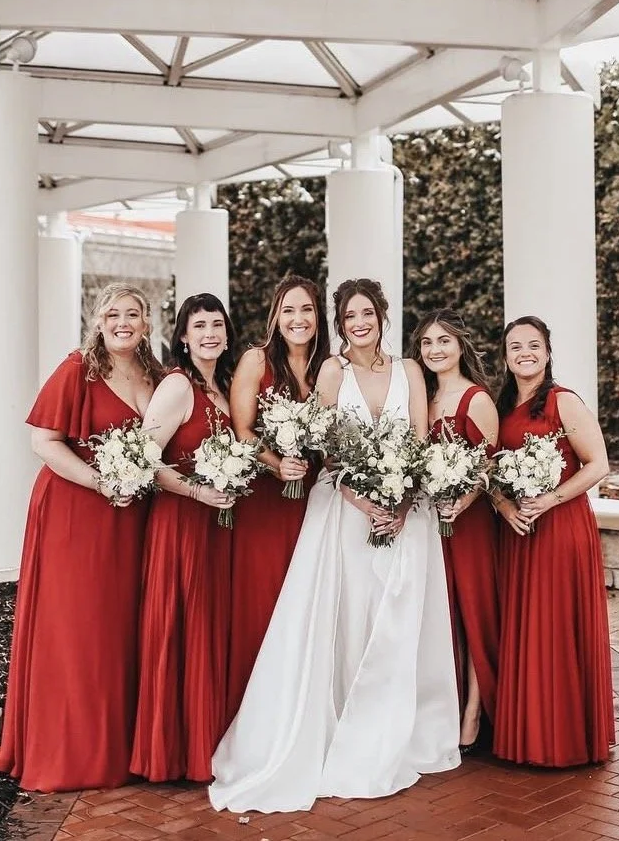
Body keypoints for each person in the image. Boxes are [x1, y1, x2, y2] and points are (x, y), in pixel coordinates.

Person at [210, 278, 459, 813]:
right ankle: (344, 722)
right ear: (340, 324)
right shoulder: (332, 370)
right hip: (344, 510)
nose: (359, 323)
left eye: (367, 313)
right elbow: (325, 450)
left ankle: (395, 733)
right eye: (349, 316)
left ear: (382, 316)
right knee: (348, 617)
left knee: (397, 620)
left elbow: (418, 440)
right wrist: (363, 499)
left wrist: (402, 499)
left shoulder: (410, 371)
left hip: (406, 513)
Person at [0, 283, 163, 792]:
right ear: (98, 321)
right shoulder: (77, 369)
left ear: (146, 323)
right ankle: (71, 753)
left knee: (119, 627)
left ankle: (120, 747)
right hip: (76, 511)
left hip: (131, 517)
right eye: (112, 314)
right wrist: (100, 482)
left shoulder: (155, 375)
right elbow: (43, 441)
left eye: (132, 314)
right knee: (78, 626)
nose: (122, 323)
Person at [490, 315, 615, 767]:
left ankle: (566, 740)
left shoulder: (564, 402)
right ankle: (528, 736)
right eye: (515, 346)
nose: (525, 353)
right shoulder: (501, 406)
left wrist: (550, 499)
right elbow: (488, 468)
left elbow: (598, 464)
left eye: (533, 345)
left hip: (561, 528)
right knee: (526, 627)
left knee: (558, 626)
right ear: (506, 356)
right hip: (519, 530)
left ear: (547, 352)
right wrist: (505, 505)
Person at [130, 293, 239, 783]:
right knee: (179, 626)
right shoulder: (177, 386)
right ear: (183, 337)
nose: (210, 334)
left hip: (215, 526)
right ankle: (170, 752)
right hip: (180, 524)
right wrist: (197, 491)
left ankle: (203, 743)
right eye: (200, 326)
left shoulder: (222, 388)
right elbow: (144, 460)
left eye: (217, 324)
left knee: (206, 628)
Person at [226, 275, 331, 722]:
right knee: (266, 598)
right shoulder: (257, 360)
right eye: (288, 310)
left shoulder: (330, 367)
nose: (298, 319)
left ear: (318, 316)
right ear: (275, 316)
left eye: (306, 309)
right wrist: (276, 464)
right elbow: (242, 430)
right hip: (267, 503)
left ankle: (299, 711)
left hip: (315, 499)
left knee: (307, 602)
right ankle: (256, 713)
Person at [411, 309, 500, 754]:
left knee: (473, 613)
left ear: (460, 345)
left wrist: (463, 499)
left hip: (469, 524)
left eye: (443, 340)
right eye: (427, 342)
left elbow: (489, 466)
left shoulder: (476, 399)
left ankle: (475, 714)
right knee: (441, 615)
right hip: (430, 522)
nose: (435, 350)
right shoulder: (421, 397)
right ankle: (445, 706)